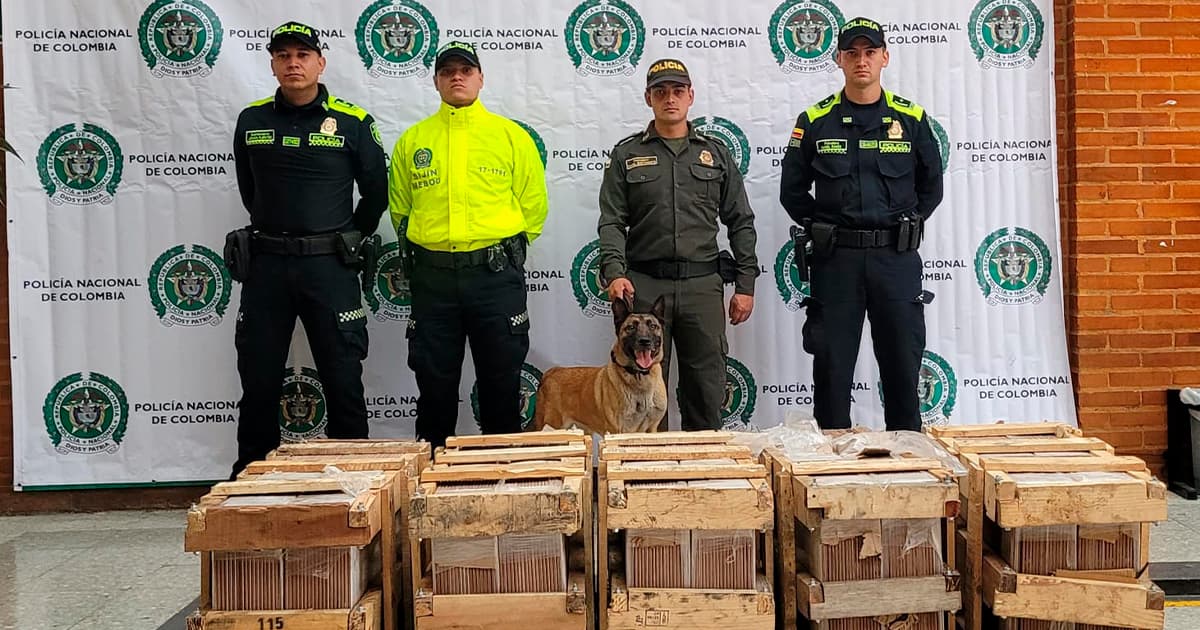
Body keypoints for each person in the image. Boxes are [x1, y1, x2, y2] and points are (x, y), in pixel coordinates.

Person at [227, 22, 387, 477]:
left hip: (329, 267)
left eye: (302, 54)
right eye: (283, 55)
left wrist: (346, 236)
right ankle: (252, 482)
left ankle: (354, 483)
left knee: (343, 379)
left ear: (321, 61)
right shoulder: (252, 119)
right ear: (273, 63)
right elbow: (249, 189)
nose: (293, 63)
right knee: (258, 379)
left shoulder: (353, 121)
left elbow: (376, 192)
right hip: (267, 266)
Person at [779, 17, 944, 431]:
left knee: (902, 365)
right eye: (852, 53)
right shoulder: (816, 120)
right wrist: (823, 227)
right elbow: (792, 192)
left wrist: (905, 224)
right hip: (838, 261)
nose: (861, 61)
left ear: (885, 57)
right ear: (839, 59)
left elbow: (932, 186)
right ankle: (833, 470)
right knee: (832, 367)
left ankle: (908, 462)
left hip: (895, 258)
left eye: (870, 52)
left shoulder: (911, 119)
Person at [388, 41, 548, 448]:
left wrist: (502, 254)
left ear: (480, 78)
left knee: (501, 383)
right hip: (433, 280)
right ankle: (430, 484)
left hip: (494, 278)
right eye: (447, 71)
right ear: (436, 81)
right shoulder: (413, 140)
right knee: (434, 386)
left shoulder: (510, 136)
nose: (456, 76)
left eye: (465, 69)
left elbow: (533, 207)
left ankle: (501, 482)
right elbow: (401, 209)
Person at [598, 58, 759, 431]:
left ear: (690, 96)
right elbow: (611, 221)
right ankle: (650, 482)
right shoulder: (626, 155)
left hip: (702, 286)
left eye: (677, 91)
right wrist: (614, 273)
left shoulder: (715, 154)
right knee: (642, 397)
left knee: (705, 388)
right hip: (645, 286)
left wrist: (746, 285)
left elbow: (740, 221)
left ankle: (703, 479)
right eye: (660, 92)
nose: (669, 99)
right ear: (648, 98)